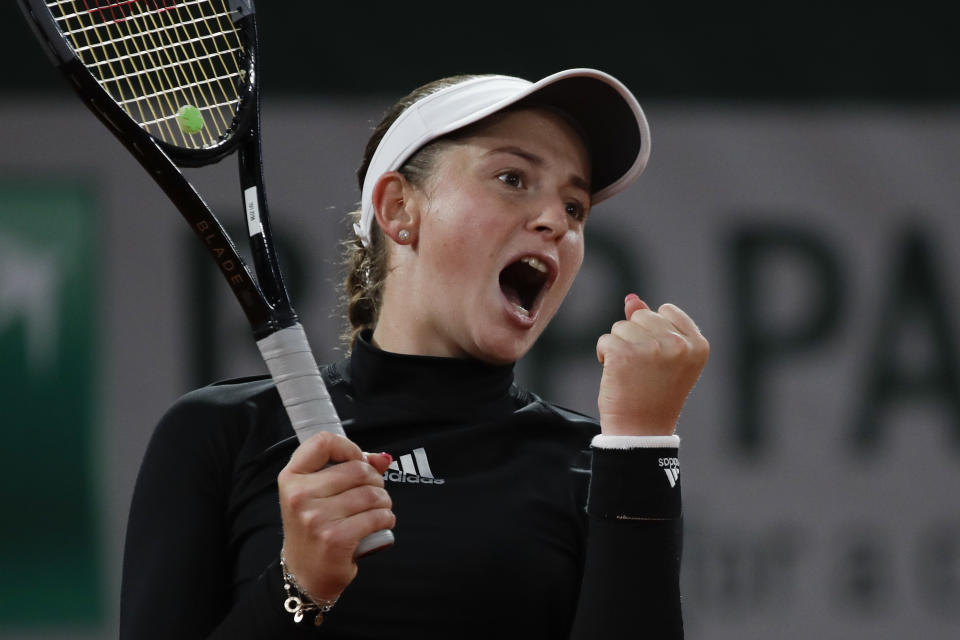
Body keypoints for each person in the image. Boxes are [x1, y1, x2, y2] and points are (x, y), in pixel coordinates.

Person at [119, 68, 709, 638]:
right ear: (399, 209)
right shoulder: (222, 434)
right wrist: (298, 590)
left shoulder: (594, 467)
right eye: (512, 178)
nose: (556, 220)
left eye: (576, 206)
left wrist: (641, 443)